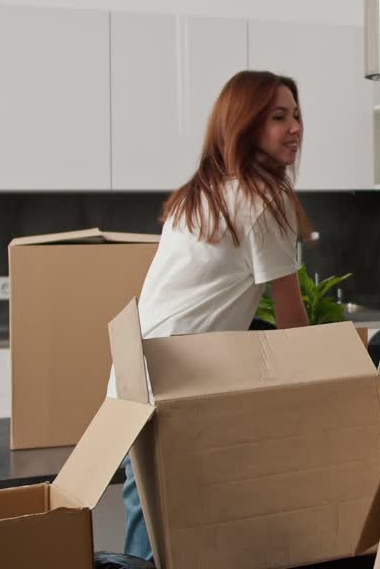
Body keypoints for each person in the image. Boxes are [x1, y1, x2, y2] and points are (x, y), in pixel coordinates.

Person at [116, 69, 311, 560]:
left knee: (151, 526)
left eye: (296, 115)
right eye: (278, 117)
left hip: (135, 376)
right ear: (245, 124)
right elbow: (292, 320)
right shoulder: (262, 200)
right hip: (174, 385)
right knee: (171, 533)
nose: (295, 128)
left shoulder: (203, 192)